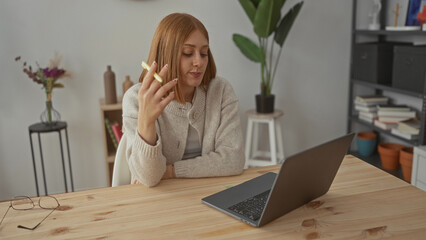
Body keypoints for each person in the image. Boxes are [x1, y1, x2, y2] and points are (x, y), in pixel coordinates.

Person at [122, 13, 245, 187]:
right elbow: (148, 178)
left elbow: (233, 159)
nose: (199, 62)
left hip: (212, 194)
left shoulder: (221, 91)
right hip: (162, 203)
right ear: (167, 54)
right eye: (188, 53)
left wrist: (172, 171)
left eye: (204, 53)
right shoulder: (136, 99)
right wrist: (146, 122)